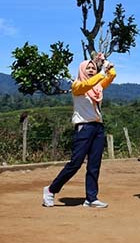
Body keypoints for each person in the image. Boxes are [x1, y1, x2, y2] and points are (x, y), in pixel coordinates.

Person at [42, 55, 116, 208]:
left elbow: (112, 75)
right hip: (84, 128)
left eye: (93, 68)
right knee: (75, 163)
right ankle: (50, 190)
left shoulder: (98, 87)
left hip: (97, 127)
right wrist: (101, 72)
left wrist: (105, 63)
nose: (91, 70)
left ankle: (91, 198)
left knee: (94, 165)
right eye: (88, 68)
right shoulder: (77, 86)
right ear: (81, 69)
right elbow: (87, 85)